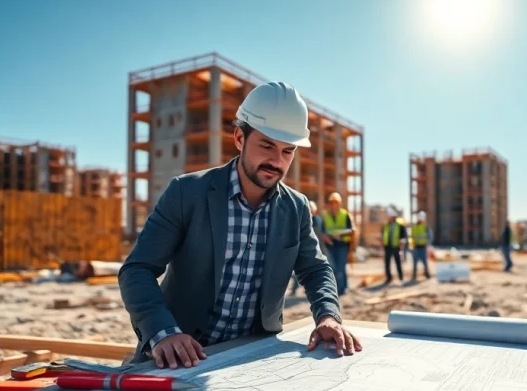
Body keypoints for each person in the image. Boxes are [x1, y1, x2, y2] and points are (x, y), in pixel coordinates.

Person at [118, 81, 361, 369]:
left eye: (287, 151)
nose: (276, 161)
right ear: (239, 138)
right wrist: (164, 332)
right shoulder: (186, 193)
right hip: (181, 356)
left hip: (252, 358)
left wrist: (328, 316)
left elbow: (315, 269)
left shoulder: (296, 208)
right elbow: (137, 269)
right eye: (267, 145)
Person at [290, 200, 326, 295]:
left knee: (313, 271)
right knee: (299, 270)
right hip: (302, 249)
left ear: (314, 211)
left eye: (312, 211)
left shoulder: (318, 221)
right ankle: (294, 289)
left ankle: (312, 290)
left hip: (316, 250)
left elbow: (321, 236)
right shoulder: (301, 220)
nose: (310, 213)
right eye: (309, 210)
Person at [321, 192, 353, 296]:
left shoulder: (345, 214)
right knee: (332, 268)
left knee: (341, 267)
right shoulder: (325, 215)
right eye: (332, 203)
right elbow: (321, 230)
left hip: (342, 244)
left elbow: (351, 229)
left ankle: (343, 288)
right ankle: (335, 288)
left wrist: (340, 234)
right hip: (330, 245)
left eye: (336, 203)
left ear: (339, 204)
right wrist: (324, 236)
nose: (334, 205)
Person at [382, 208, 408, 284]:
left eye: (389, 216)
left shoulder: (399, 225)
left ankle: (400, 277)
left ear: (393, 217)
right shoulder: (386, 225)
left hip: (396, 247)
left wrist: (402, 242)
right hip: (388, 247)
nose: (388, 218)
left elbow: (404, 235)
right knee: (387, 263)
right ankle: (389, 278)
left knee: (398, 263)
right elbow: (383, 234)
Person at [411, 211, 432, 280]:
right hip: (416, 247)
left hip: (423, 247)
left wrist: (428, 244)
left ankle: (427, 273)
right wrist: (412, 245)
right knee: (415, 261)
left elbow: (430, 236)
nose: (421, 220)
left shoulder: (426, 227)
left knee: (425, 261)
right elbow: (412, 236)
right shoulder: (415, 227)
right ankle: (414, 275)